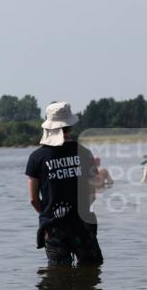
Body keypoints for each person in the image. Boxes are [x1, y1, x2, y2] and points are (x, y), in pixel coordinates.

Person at [24, 102, 102, 266]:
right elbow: (93, 194)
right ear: (70, 127)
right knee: (91, 269)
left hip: (54, 228)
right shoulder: (85, 153)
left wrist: (49, 214)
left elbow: (33, 199)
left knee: (58, 274)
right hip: (82, 225)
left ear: (49, 126)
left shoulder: (36, 157)